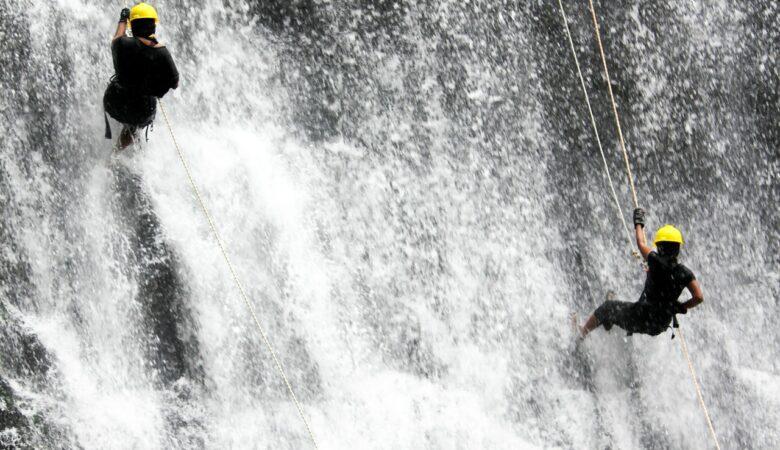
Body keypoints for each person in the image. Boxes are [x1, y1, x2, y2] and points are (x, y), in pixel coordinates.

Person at [576, 208, 704, 338]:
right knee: (626, 308)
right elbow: (698, 297)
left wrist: (639, 222)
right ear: (678, 248)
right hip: (660, 325)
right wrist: (681, 306)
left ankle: (583, 332)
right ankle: (609, 321)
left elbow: (641, 243)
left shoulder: (654, 260)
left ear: (660, 247)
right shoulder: (684, 272)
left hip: (640, 318)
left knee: (607, 307)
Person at [103, 3, 179, 149]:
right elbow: (175, 83)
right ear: (153, 26)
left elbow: (117, 37)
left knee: (127, 103)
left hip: (115, 103)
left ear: (133, 26)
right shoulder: (162, 52)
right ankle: (116, 153)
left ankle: (126, 135)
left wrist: (123, 19)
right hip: (141, 112)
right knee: (134, 124)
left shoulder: (122, 44)